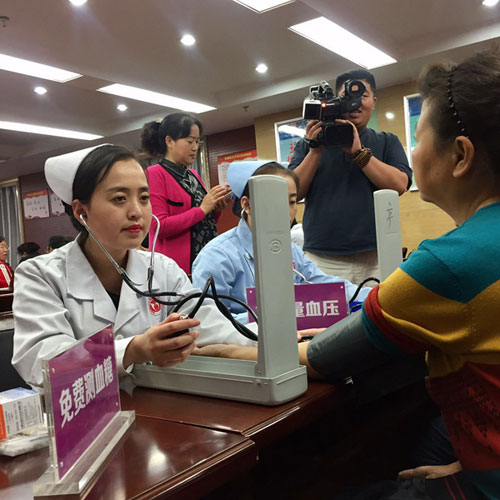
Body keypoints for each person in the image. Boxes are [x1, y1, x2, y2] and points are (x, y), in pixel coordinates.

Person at [195, 49, 500, 497]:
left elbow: (322, 357)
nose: (412, 151)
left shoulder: (448, 263)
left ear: (460, 156)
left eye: (417, 139)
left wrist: (218, 353)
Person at [12, 144, 258, 391]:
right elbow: (42, 363)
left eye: (144, 198)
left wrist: (266, 338)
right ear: (81, 211)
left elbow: (213, 326)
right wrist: (133, 349)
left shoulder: (162, 269)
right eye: (119, 198)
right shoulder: (40, 274)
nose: (137, 212)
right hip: (78, 413)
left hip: (157, 407)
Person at [192, 161, 370, 324]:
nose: (287, 210)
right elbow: (209, 322)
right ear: (247, 205)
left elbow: (326, 285)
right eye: (275, 200)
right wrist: (276, 314)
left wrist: (375, 297)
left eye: (292, 201)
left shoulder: (291, 250)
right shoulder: (217, 256)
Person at [289, 69, 412, 285]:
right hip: (322, 257)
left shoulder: (387, 141)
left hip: (377, 254)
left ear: (374, 101)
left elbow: (399, 185)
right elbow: (293, 192)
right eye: (347, 97)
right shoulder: (308, 144)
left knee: (378, 308)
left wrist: (359, 154)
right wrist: (315, 150)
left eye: (363, 96)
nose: (356, 103)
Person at [141, 112, 230, 274]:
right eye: (189, 141)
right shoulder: (155, 173)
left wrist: (215, 208)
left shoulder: (193, 174)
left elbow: (202, 220)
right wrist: (202, 209)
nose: (195, 147)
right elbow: (159, 226)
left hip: (206, 260)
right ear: (169, 141)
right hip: (177, 268)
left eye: (197, 141)